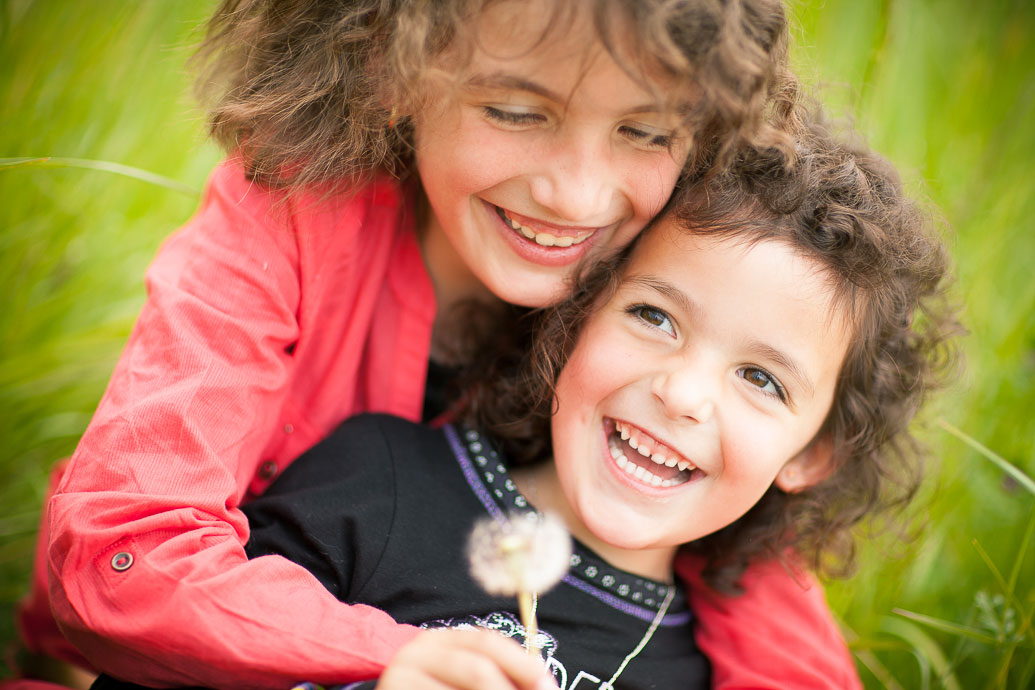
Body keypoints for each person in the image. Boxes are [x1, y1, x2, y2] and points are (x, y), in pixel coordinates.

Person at [13, 0, 851, 687]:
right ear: (393, 72)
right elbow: (120, 552)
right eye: (516, 111)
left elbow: (759, 603)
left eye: (645, 131)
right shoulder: (293, 212)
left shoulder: (667, 279)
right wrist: (389, 655)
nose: (576, 193)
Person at [90, 114, 959, 689]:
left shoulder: (698, 665)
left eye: (761, 379)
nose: (681, 392)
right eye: (653, 316)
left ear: (810, 455)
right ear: (575, 316)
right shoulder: (384, 480)